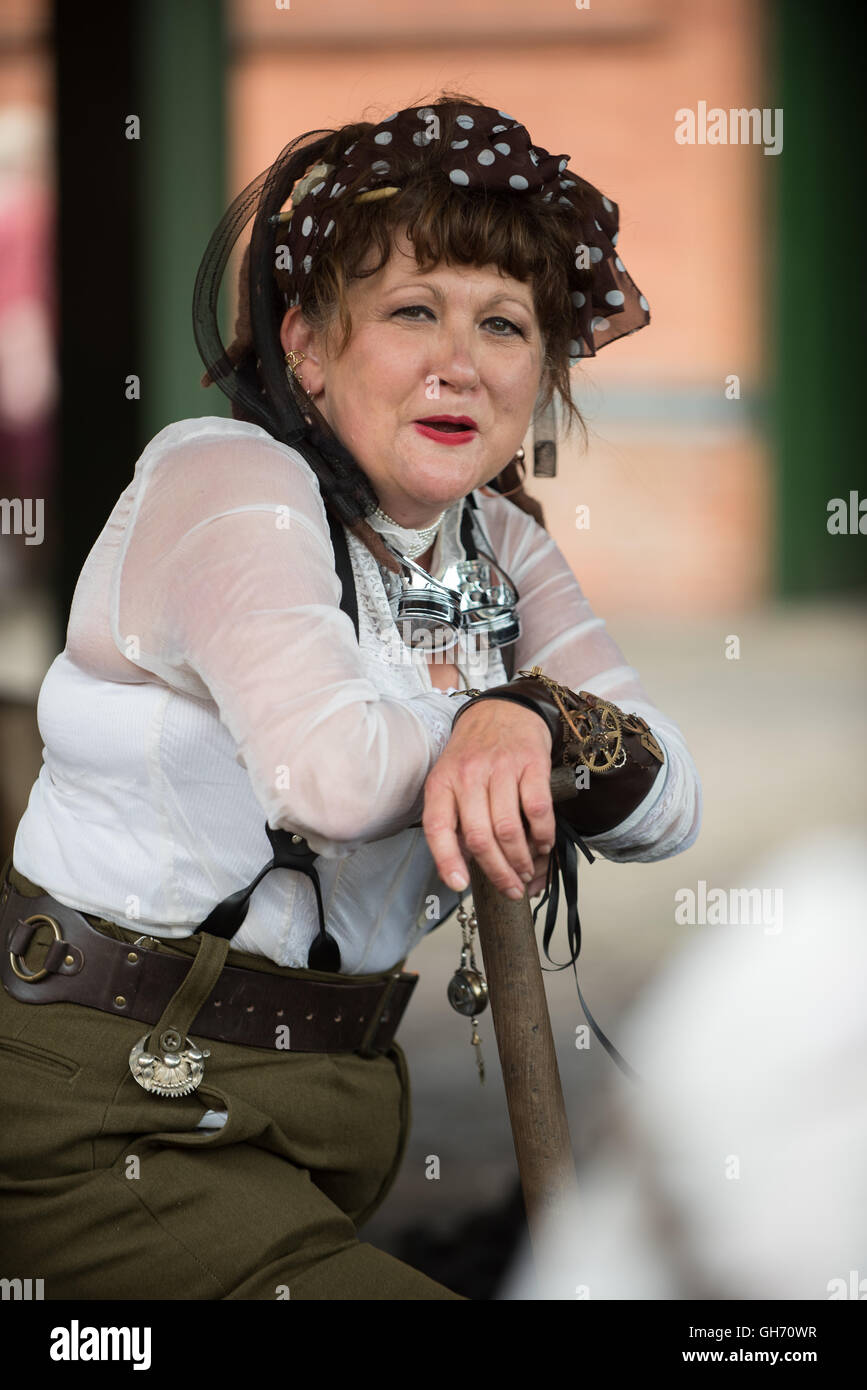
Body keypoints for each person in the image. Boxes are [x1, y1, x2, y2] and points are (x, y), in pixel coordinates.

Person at [0, 92, 701, 1300]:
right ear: (309, 346)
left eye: (504, 324)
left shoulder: (499, 548)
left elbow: (667, 799)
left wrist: (534, 716)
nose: (459, 361)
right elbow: (326, 773)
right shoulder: (226, 481)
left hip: (326, 1120)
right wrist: (492, 722)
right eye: (412, 310)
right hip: (115, 1110)